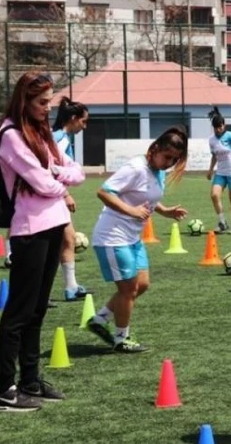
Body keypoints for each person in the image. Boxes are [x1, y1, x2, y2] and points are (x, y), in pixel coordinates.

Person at [0, 72, 85, 412]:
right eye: (42, 103)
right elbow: (42, 182)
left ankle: (30, 380)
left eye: (50, 102)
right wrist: (60, 178)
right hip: (29, 228)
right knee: (18, 311)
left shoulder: (42, 131)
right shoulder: (10, 135)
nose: (48, 109)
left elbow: (75, 171)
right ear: (24, 101)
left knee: (38, 309)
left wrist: (58, 175)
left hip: (55, 223)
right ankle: (3, 390)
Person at [86, 126, 189, 353]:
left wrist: (165, 211)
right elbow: (104, 192)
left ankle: (99, 319)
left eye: (174, 159)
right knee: (128, 290)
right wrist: (131, 211)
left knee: (141, 285)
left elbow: (147, 198)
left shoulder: (157, 170)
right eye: (168, 157)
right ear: (154, 149)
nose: (170, 163)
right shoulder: (135, 167)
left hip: (133, 238)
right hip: (113, 237)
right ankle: (121, 338)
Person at [52, 97, 90, 301]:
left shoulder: (60, 137)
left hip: (55, 196)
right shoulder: (60, 138)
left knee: (68, 239)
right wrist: (65, 194)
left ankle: (71, 287)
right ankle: (37, 293)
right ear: (73, 118)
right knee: (57, 244)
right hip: (51, 197)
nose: (84, 126)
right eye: (83, 121)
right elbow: (50, 169)